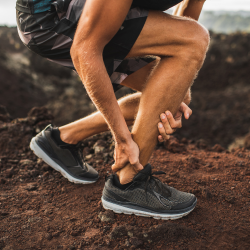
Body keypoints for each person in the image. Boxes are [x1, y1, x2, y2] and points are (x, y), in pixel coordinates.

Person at [16, 0, 209, 219]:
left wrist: (168, 90)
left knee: (177, 92)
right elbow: (84, 49)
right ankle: (128, 183)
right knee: (193, 38)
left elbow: (180, 32)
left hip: (96, 12)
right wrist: (122, 138)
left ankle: (61, 140)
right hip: (48, 20)